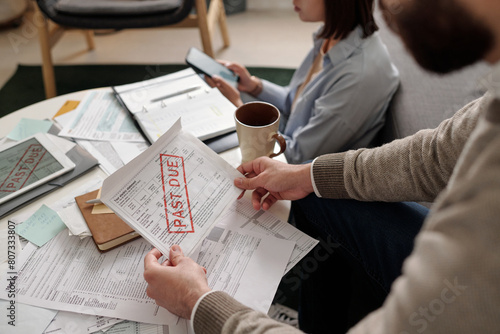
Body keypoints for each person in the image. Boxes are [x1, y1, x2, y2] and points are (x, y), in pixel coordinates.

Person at [143, 0, 500, 333]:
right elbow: (431, 158)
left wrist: (197, 302)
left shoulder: (479, 246)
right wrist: (305, 175)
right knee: (314, 189)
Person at [206, 0, 399, 164]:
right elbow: (296, 104)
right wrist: (254, 86)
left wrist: (241, 110)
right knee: (213, 85)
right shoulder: (331, 36)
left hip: (294, 166)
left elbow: (295, 157)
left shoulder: (357, 78)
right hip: (288, 134)